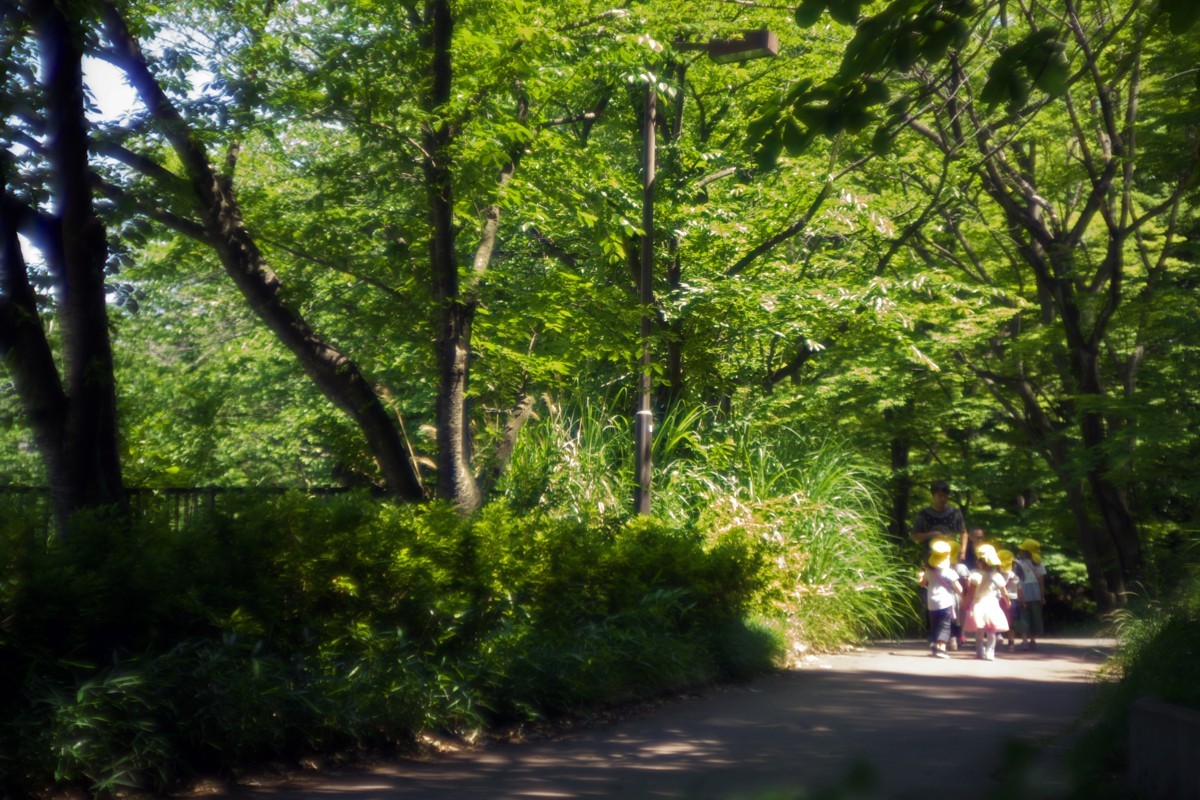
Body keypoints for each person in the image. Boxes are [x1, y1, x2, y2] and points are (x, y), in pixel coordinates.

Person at [963, 544, 1009, 661]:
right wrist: (1007, 602)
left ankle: (980, 652)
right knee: (991, 631)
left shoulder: (975, 576)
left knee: (980, 631)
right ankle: (990, 652)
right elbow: (1004, 593)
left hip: (978, 605)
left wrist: (965, 602)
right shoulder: (997, 576)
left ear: (979, 562)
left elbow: (970, 593)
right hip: (992, 605)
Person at [919, 538, 962, 659]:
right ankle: (941, 648)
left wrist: (921, 578)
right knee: (945, 625)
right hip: (945, 602)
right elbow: (959, 588)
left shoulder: (928, 571)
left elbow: (922, 584)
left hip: (931, 603)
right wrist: (963, 596)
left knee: (935, 624)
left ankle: (935, 645)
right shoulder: (950, 572)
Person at [910, 480, 968, 558]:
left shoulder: (955, 512)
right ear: (933, 495)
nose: (943, 499)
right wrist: (930, 535)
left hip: (952, 555)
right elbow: (914, 536)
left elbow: (963, 532)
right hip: (931, 557)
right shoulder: (924, 514)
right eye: (940, 495)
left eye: (945, 496)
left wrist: (962, 552)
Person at [1015, 538, 1047, 651]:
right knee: (1036, 616)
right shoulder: (1040, 565)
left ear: (1025, 552)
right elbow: (1041, 582)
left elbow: (1017, 580)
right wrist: (1042, 596)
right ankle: (1033, 640)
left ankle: (1024, 641)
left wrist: (1018, 594)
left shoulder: (1018, 564)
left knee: (1024, 616)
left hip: (1023, 591)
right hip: (1036, 593)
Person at [997, 549, 1021, 652]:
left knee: (997, 621)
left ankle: (997, 637)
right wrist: (1023, 602)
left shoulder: (996, 575)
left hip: (999, 600)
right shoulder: (1015, 576)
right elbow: (1019, 590)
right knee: (1011, 624)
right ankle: (1011, 644)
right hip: (1012, 600)